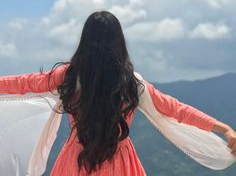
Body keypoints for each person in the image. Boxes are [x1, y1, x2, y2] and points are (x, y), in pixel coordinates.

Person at [0, 10, 236, 176]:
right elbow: (175, 109)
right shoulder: (131, 83)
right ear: (118, 42)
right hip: (120, 162)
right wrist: (222, 128)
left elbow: (21, 83)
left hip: (76, 161)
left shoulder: (69, 76)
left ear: (85, 41)